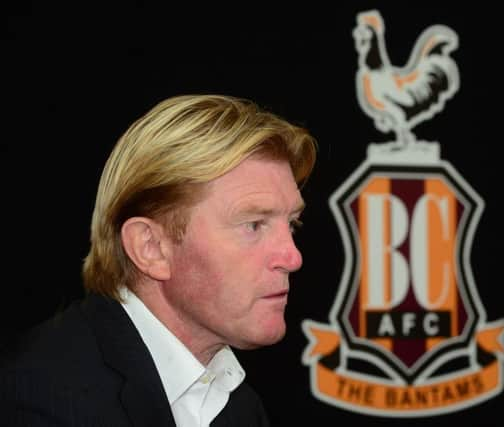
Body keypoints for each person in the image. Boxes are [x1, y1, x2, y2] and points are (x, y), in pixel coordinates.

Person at [0, 94, 317, 426]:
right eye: (253, 225)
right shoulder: (39, 403)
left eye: (292, 224)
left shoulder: (236, 403)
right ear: (150, 248)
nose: (293, 257)